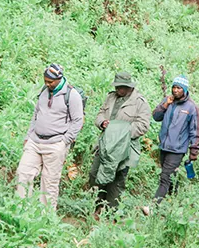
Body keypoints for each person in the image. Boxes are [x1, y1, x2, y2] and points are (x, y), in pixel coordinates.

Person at [15, 64, 84, 209]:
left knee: (49, 182)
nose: (47, 84)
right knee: (23, 173)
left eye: (50, 82)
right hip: (35, 141)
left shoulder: (72, 95)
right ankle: (21, 210)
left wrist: (64, 142)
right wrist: (28, 136)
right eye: (45, 80)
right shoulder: (44, 91)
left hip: (56, 143)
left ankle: (46, 218)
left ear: (59, 79)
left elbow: (78, 121)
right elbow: (36, 114)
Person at [89, 72, 151, 214]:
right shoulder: (111, 97)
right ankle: (98, 205)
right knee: (95, 173)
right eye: (116, 87)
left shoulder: (139, 102)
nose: (118, 90)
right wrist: (102, 123)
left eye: (121, 87)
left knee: (117, 180)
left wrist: (120, 132)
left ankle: (111, 212)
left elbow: (142, 125)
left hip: (125, 147)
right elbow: (100, 114)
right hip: (105, 145)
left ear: (128, 87)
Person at [151, 75, 199, 205]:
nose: (175, 90)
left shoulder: (191, 107)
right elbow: (156, 116)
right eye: (174, 87)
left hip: (178, 149)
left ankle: (154, 206)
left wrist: (194, 150)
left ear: (184, 90)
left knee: (165, 177)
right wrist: (165, 105)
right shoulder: (168, 101)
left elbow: (195, 130)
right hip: (164, 146)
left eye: (179, 88)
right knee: (171, 176)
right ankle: (175, 201)